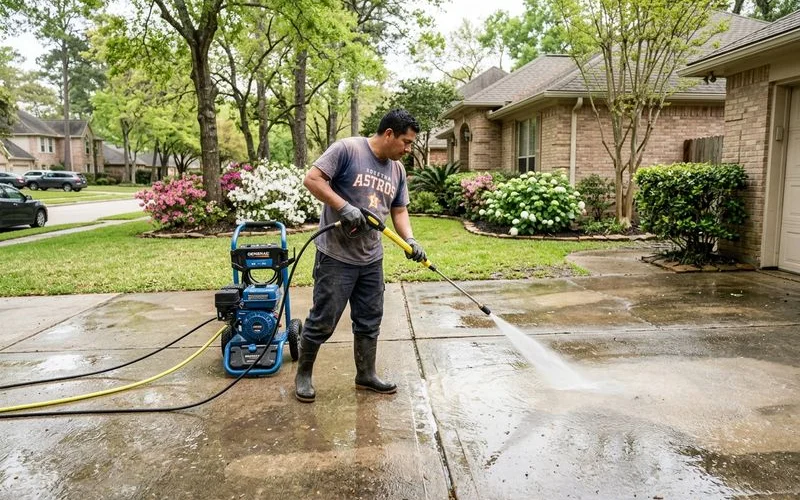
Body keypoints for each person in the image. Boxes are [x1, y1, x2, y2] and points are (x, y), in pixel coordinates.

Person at [295, 109, 427, 403]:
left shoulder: (397, 170)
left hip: (371, 258)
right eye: (405, 142)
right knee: (323, 320)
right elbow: (313, 179)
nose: (408, 150)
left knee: (369, 319)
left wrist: (410, 239)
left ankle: (365, 375)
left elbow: (399, 209)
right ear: (389, 134)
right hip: (336, 255)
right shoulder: (347, 150)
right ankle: (303, 375)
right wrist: (344, 207)